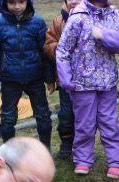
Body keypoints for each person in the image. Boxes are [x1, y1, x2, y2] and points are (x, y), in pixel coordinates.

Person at [56, 0, 119, 178]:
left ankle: (116, 160)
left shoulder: (113, 14)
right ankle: (83, 159)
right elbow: (63, 50)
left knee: (109, 121)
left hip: (107, 82)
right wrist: (66, 78)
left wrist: (104, 36)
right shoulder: (78, 16)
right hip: (82, 84)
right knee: (84, 123)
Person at [0, 0, 54, 148]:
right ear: (5, 4)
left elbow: (45, 53)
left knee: (43, 115)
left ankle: (45, 150)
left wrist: (50, 78)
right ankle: (9, 151)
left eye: (21, 2)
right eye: (12, 3)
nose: (17, 7)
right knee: (7, 118)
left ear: (27, 2)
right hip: (10, 79)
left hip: (35, 78)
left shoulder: (38, 22)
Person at [44, 0, 80, 159]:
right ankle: (66, 143)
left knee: (83, 115)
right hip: (65, 78)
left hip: (86, 79)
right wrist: (61, 47)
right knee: (66, 114)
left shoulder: (90, 18)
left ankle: (82, 146)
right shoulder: (58, 21)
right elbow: (48, 44)